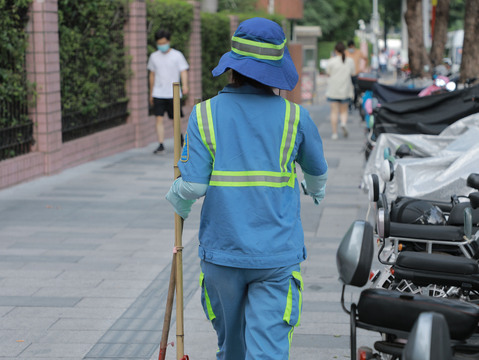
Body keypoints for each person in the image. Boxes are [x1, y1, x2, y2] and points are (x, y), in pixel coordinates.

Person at [165, 17, 328, 360]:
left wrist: (177, 195)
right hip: (276, 255)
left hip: (222, 254)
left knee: (232, 349)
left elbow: (193, 186)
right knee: (266, 352)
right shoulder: (295, 118)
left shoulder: (203, 114)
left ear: (232, 68)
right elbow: (317, 174)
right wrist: (316, 192)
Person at [148, 29, 189, 154]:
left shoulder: (177, 55)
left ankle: (180, 139)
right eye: (159, 43)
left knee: (175, 119)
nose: (162, 45)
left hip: (173, 93)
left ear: (169, 41)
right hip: (158, 92)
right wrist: (151, 92)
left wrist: (185, 85)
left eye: (164, 42)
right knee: (158, 119)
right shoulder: (154, 57)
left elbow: (183, 71)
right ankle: (161, 144)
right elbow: (152, 75)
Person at [326, 41, 355, 140]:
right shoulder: (350, 61)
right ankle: (343, 123)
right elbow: (353, 73)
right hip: (345, 90)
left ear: (335, 50)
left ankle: (334, 133)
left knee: (334, 112)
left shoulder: (331, 61)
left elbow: (328, 73)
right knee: (344, 111)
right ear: (344, 50)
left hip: (333, 90)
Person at [345, 40, 368, 110]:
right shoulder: (345, 53)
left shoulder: (358, 52)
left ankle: (355, 102)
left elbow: (365, 59)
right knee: (347, 89)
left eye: (352, 47)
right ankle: (349, 103)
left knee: (356, 89)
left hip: (356, 73)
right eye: (350, 47)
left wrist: (363, 68)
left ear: (354, 46)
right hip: (347, 74)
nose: (351, 48)